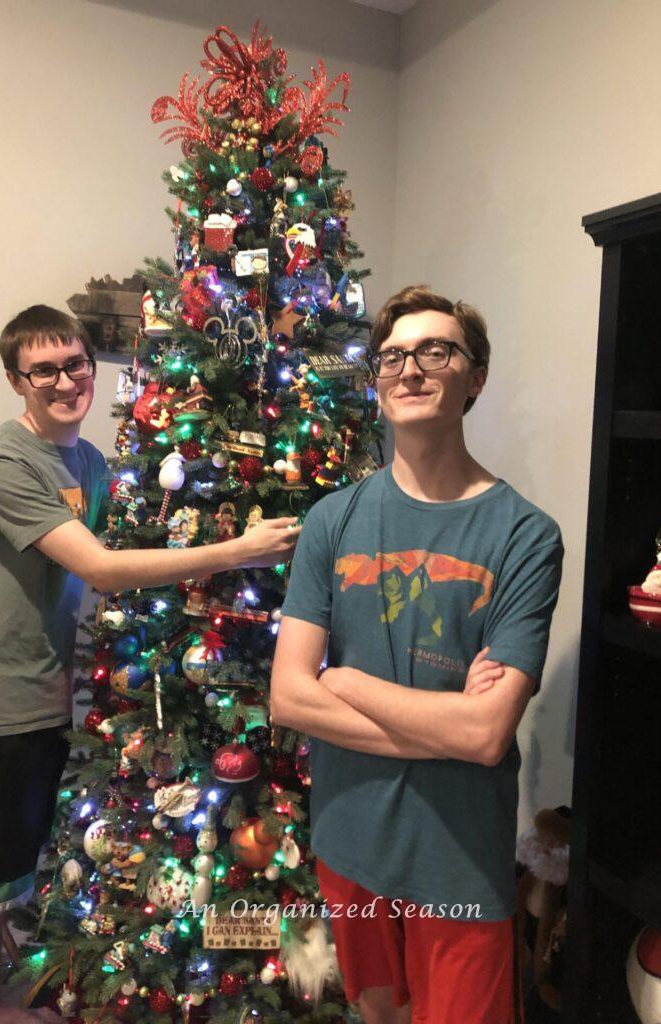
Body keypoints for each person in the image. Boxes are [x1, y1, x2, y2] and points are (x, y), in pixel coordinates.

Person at [0, 304, 300, 1024]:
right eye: (43, 370)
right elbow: (102, 568)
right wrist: (239, 551)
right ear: (16, 380)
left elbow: (127, 558)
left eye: (75, 363)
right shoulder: (0, 461)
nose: (66, 380)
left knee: (11, 889)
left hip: (47, 703)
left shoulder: (89, 463)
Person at [271, 285, 563, 1024]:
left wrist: (345, 682)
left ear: (475, 376)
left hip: (458, 856)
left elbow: (486, 734)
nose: (409, 369)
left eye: (436, 351)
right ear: (377, 379)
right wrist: (448, 723)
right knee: (378, 1015)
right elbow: (289, 696)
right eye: (393, 355)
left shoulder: (526, 535)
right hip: (349, 837)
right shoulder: (331, 520)